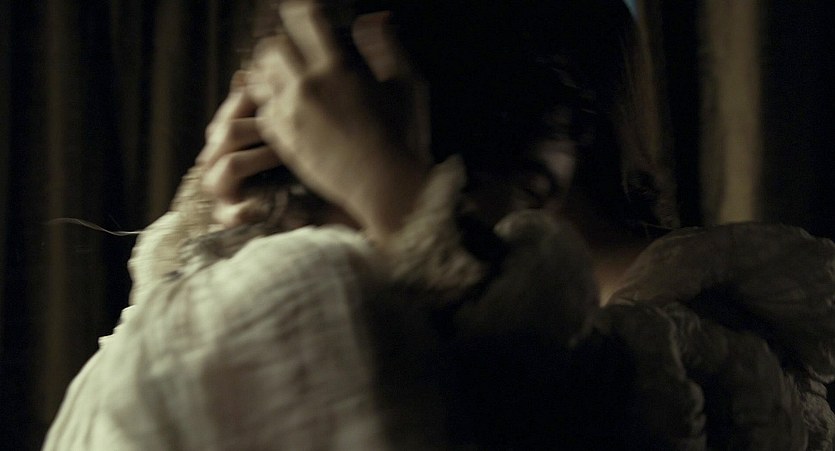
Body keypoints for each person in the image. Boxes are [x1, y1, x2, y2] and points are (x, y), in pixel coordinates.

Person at [44, 0, 835, 449]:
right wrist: (213, 231)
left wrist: (398, 199)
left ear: (543, 161)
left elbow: (585, 414)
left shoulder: (712, 330)